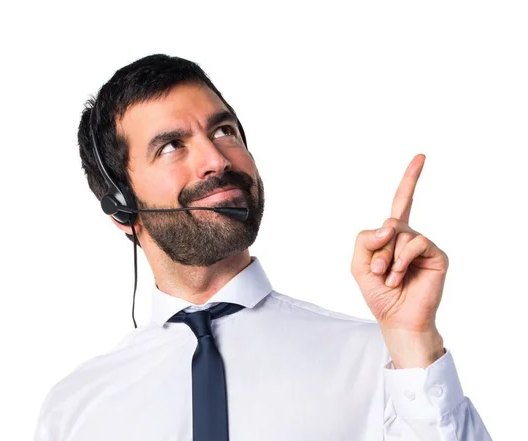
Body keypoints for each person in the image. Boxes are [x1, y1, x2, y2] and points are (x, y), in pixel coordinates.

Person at [33, 54, 492, 441]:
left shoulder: (383, 361)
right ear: (120, 207)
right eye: (172, 146)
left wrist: (414, 343)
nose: (215, 160)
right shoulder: (75, 410)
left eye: (224, 131)